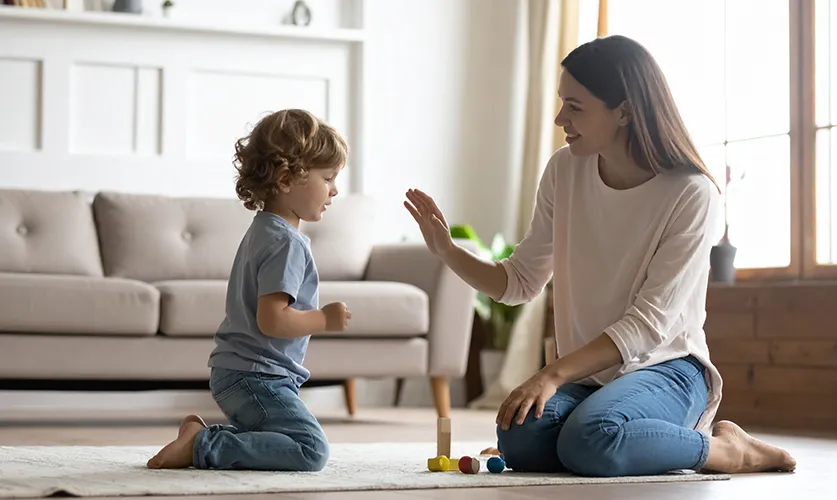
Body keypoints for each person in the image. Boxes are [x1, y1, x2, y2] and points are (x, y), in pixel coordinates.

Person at [403, 35, 797, 477]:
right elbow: (519, 282)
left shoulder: (691, 193)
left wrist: (551, 375)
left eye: (575, 107)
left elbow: (649, 326)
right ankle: (620, 437)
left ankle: (727, 450)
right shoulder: (564, 171)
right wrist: (447, 251)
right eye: (561, 104)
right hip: (590, 379)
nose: (559, 118)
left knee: (590, 440)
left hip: (668, 370)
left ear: (624, 112)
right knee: (519, 438)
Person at [147, 109, 352, 471]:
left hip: (239, 373)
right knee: (310, 449)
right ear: (288, 178)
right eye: (328, 177)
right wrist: (322, 319)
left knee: (279, 437)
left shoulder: (262, 229)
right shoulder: (287, 243)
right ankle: (202, 445)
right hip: (257, 377)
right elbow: (273, 319)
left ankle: (201, 435)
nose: (334, 190)